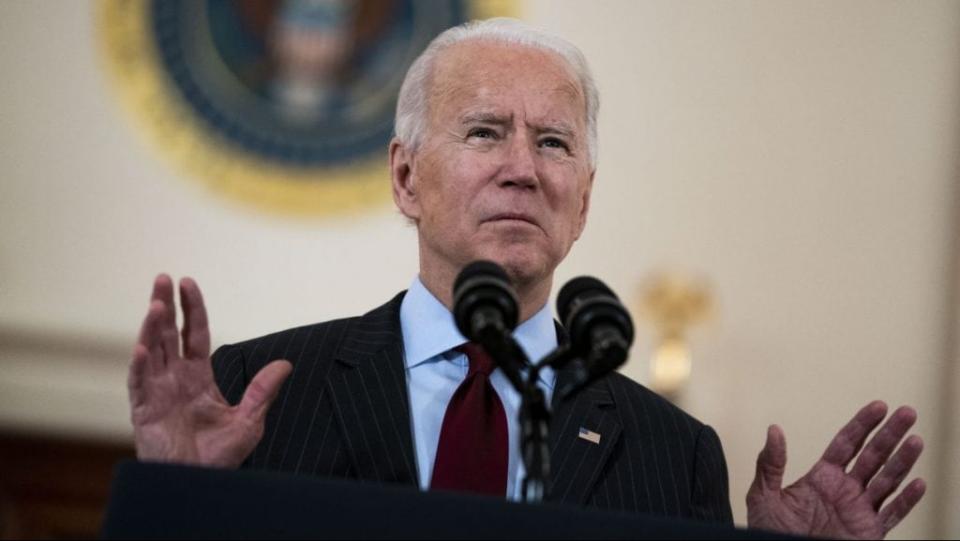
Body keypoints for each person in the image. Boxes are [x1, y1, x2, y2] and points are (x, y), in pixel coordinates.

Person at [127, 18, 925, 537]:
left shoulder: (674, 453)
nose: (521, 169)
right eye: (484, 131)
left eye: (552, 143)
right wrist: (172, 503)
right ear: (406, 177)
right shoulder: (258, 393)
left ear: (583, 199)